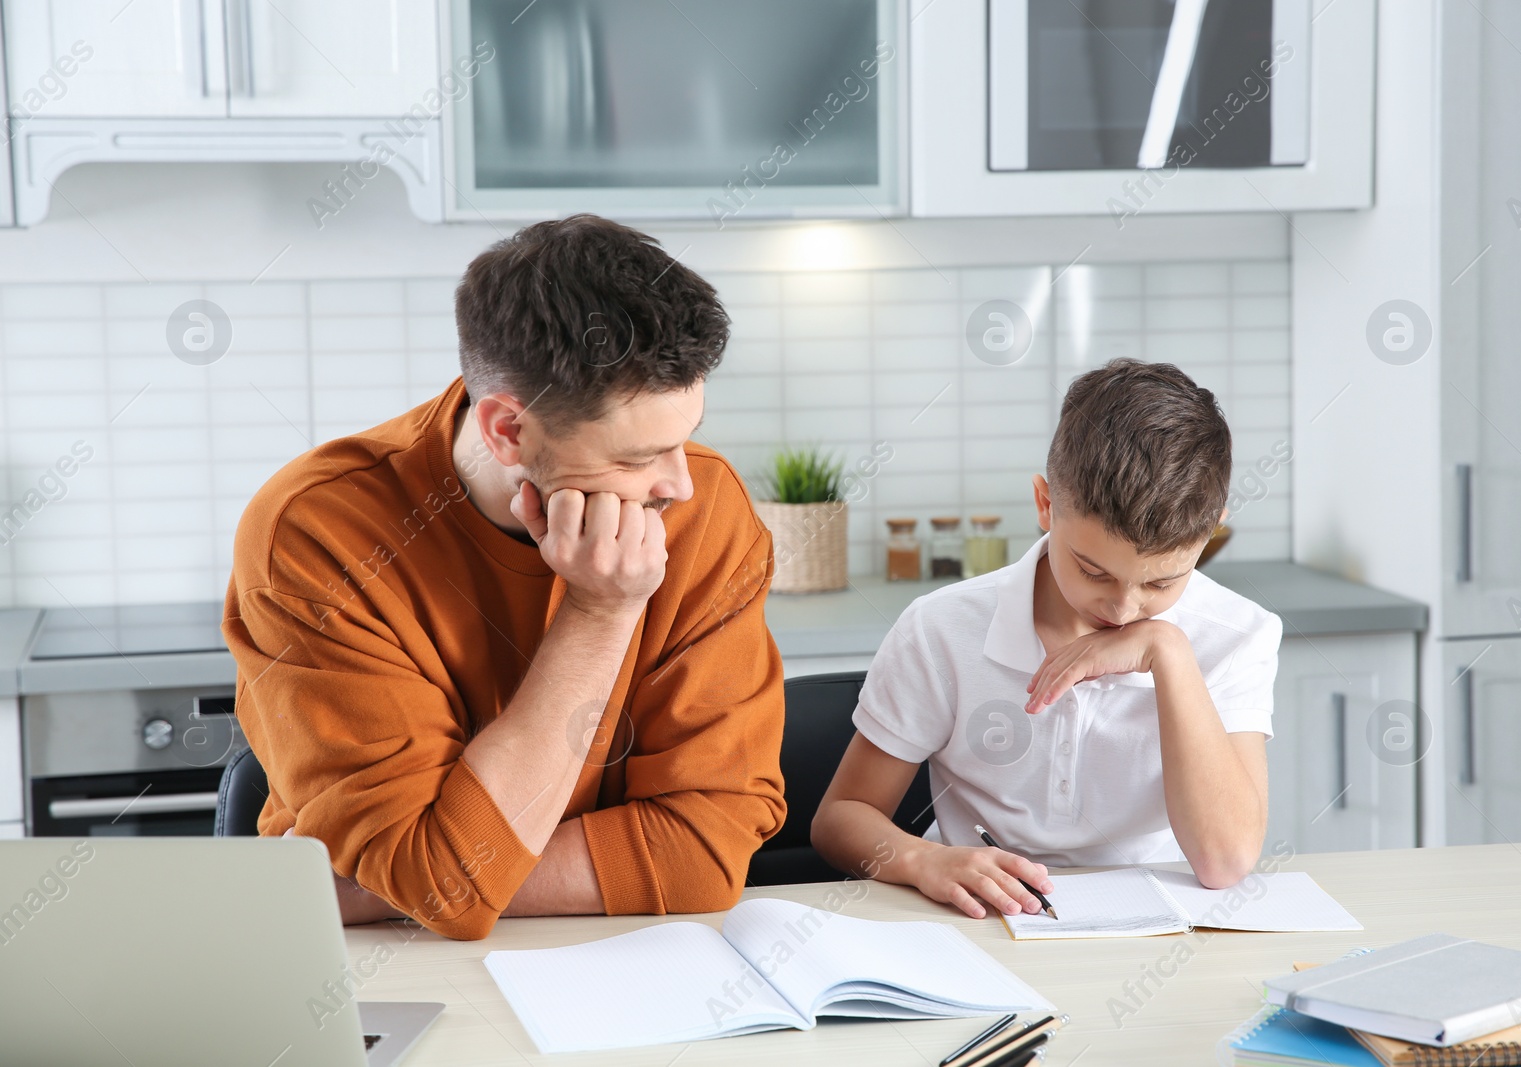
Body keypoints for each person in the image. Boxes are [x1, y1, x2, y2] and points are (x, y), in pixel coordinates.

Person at [223, 215, 785, 940]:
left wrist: (397, 884)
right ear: (509, 431)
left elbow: (704, 855)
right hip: (383, 964)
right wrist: (601, 613)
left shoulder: (707, 512)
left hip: (620, 956)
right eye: (642, 455)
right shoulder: (315, 532)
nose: (679, 485)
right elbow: (441, 889)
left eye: (685, 438)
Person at [811, 358, 1280, 920]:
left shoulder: (1239, 635)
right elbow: (842, 817)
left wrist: (1169, 652)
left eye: (1161, 582)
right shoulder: (941, 628)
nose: (1122, 607)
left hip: (1159, 922)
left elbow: (1225, 862)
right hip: (978, 920)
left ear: (1212, 531)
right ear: (1045, 504)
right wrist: (924, 861)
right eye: (1093, 570)